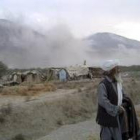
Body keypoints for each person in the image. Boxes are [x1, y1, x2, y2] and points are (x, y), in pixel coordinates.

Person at [96, 60, 140, 140]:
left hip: (118, 116)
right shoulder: (103, 85)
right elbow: (103, 101)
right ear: (111, 71)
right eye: (117, 68)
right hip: (107, 119)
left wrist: (125, 104)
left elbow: (123, 96)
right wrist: (116, 109)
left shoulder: (117, 83)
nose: (119, 70)